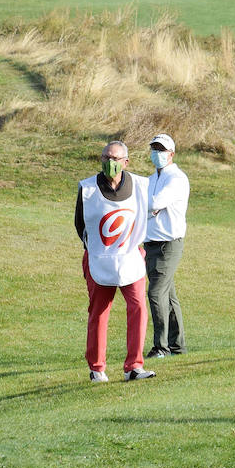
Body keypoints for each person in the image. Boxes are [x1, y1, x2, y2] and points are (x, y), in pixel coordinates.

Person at [75, 141, 155, 382]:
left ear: (126, 162)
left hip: (130, 256)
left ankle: (134, 366)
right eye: (106, 157)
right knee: (99, 312)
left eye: (116, 158)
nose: (110, 162)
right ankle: (97, 368)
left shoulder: (140, 185)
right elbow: (81, 224)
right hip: (100, 257)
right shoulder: (88, 188)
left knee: (138, 308)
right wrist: (97, 251)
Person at [144, 134, 189, 360]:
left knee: (155, 293)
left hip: (168, 244)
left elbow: (154, 203)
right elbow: (145, 205)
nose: (157, 153)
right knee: (168, 296)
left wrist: (149, 207)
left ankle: (161, 347)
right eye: (154, 149)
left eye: (161, 149)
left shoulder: (177, 178)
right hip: (150, 243)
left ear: (171, 154)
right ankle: (177, 346)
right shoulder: (151, 179)